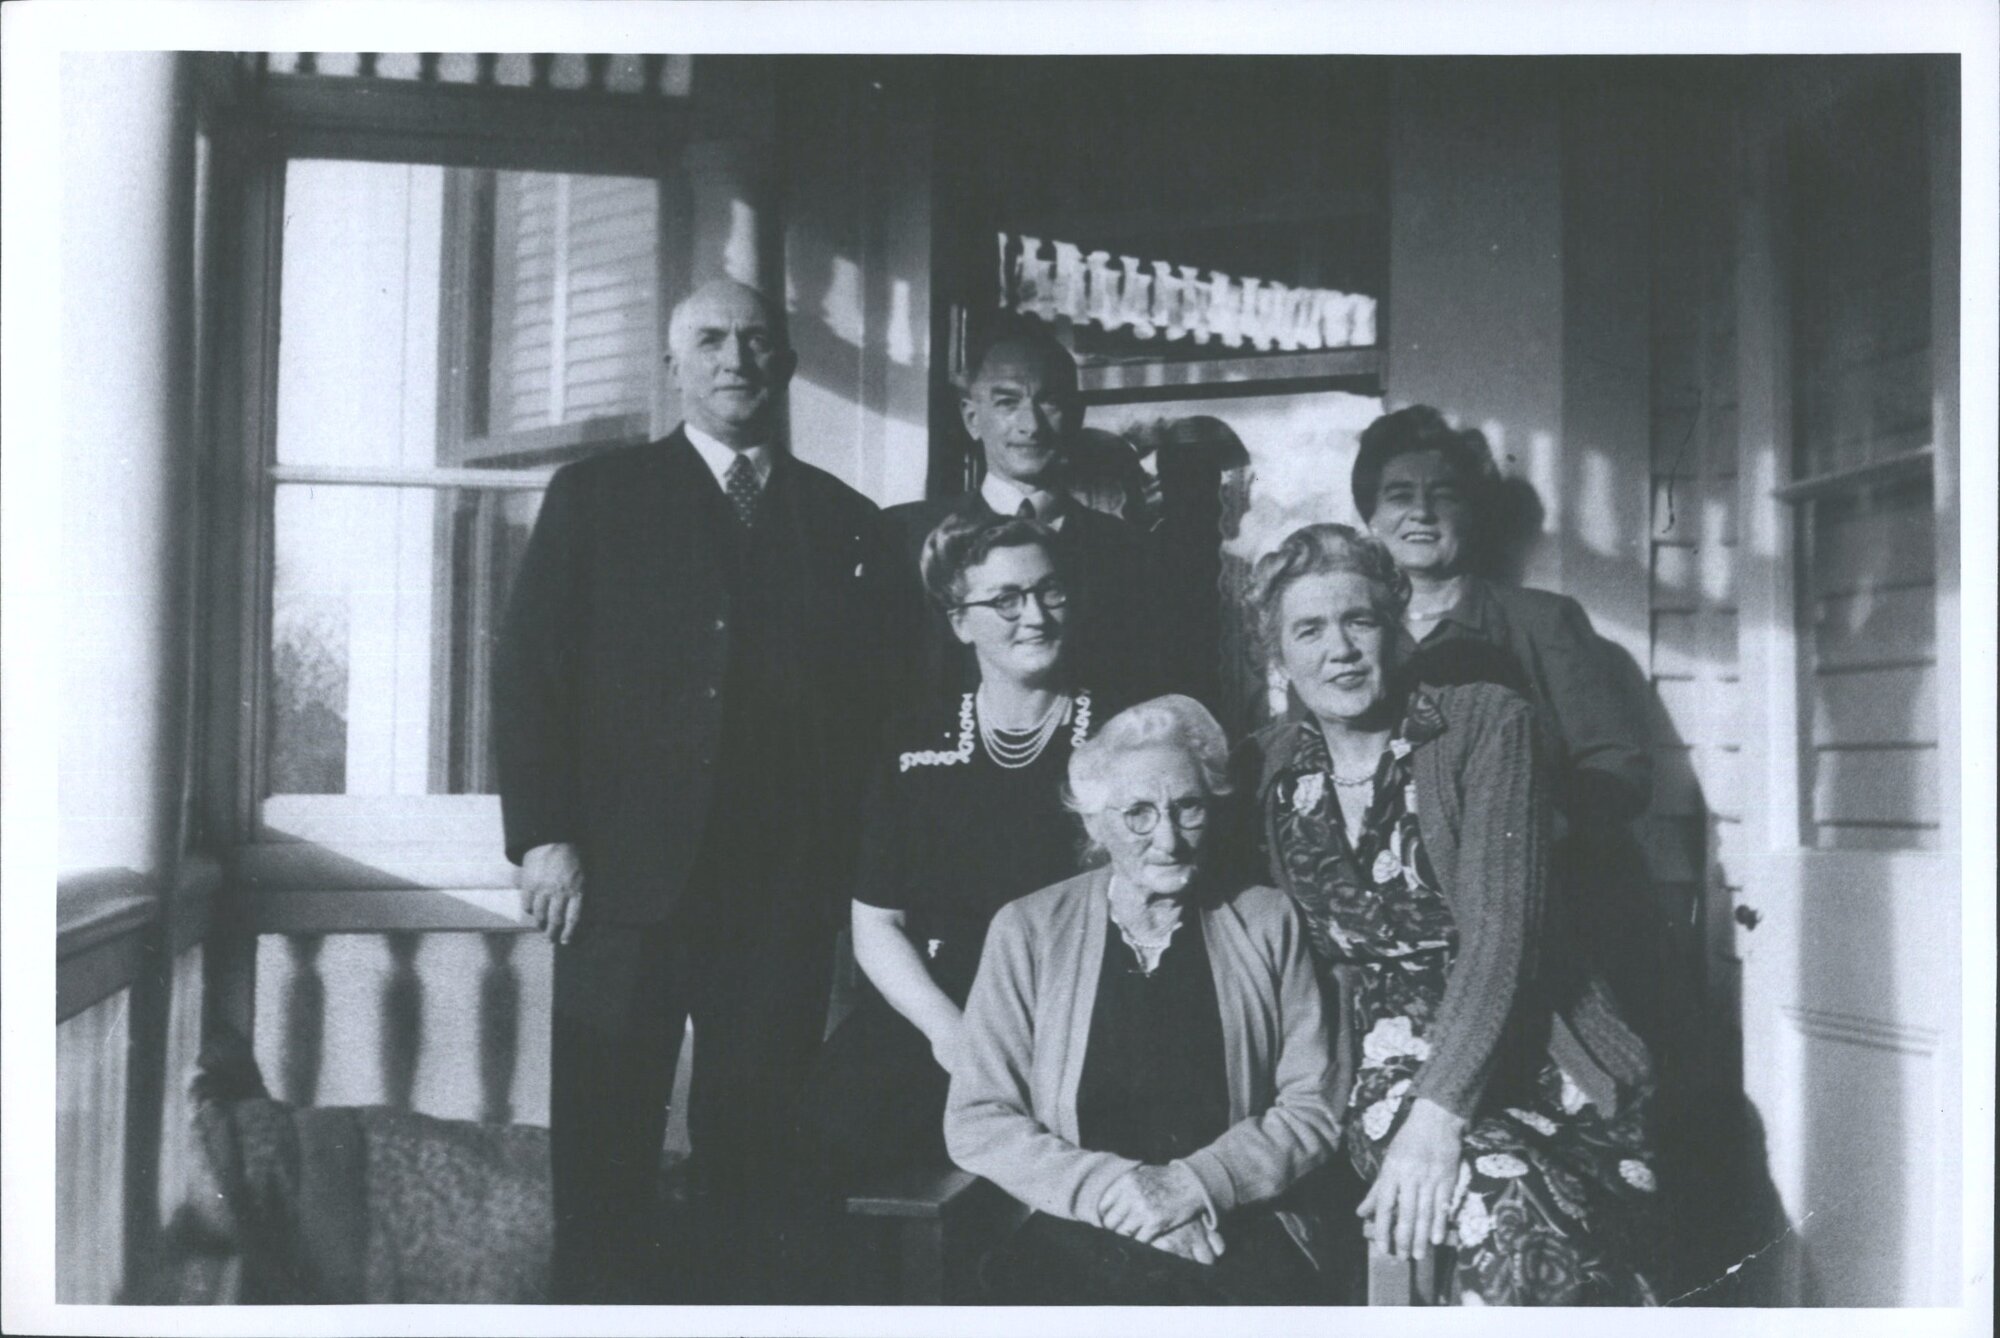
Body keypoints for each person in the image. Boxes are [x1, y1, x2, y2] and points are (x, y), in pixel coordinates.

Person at [493, 278, 909, 1303]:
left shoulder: (843, 522)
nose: (737, 359)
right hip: (620, 890)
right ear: (671, 364)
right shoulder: (598, 497)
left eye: (757, 341)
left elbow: (871, 719)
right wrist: (543, 836)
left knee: (752, 1162)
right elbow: (528, 673)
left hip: (776, 899)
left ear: (788, 363)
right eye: (712, 341)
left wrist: (852, 884)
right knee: (603, 1158)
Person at [1238, 523, 1661, 1305]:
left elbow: (1505, 933)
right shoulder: (1269, 765)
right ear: (1279, 656)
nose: (1341, 649)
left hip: (1540, 1053)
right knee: (1511, 1213)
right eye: (1309, 630)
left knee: (1546, 1218)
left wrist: (1438, 1116)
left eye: (1359, 620)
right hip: (1373, 1062)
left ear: (1396, 624)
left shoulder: (1486, 723)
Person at [946, 696, 1344, 1305]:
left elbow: (1314, 1104)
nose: (1169, 838)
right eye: (1138, 813)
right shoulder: (1027, 929)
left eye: (1187, 808)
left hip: (1235, 1223)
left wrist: (1195, 1185)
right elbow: (978, 1118)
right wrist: (1121, 1191)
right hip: (1077, 1225)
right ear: (1094, 824)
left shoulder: (1266, 919)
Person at [805, 512, 1115, 1184]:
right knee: (824, 1153)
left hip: (1078, 1026)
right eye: (1005, 600)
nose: (1034, 616)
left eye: (1049, 591)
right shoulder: (913, 742)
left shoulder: (1121, 737)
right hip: (936, 1023)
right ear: (959, 622)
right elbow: (876, 926)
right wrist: (952, 1036)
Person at [886, 314, 1164, 703]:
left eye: (1049, 402)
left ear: (1077, 416)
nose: (1030, 425)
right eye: (1007, 402)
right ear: (971, 418)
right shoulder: (905, 537)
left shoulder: (1131, 553)